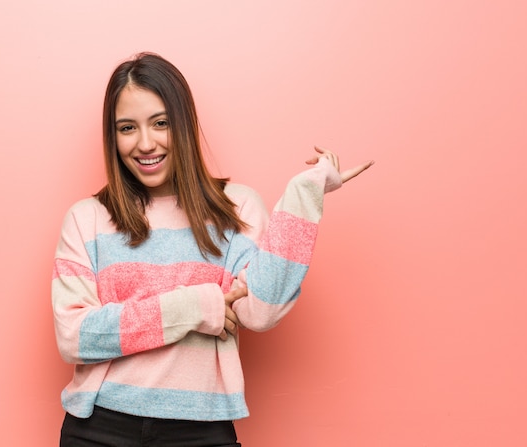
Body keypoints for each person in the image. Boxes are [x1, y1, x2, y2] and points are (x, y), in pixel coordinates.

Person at [52, 52, 373, 446]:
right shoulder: (88, 219)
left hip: (201, 429)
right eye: (126, 128)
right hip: (99, 427)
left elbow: (260, 310)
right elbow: (75, 337)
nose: (145, 143)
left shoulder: (236, 209)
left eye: (161, 123)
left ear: (184, 124)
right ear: (112, 135)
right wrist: (198, 307)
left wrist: (303, 197)